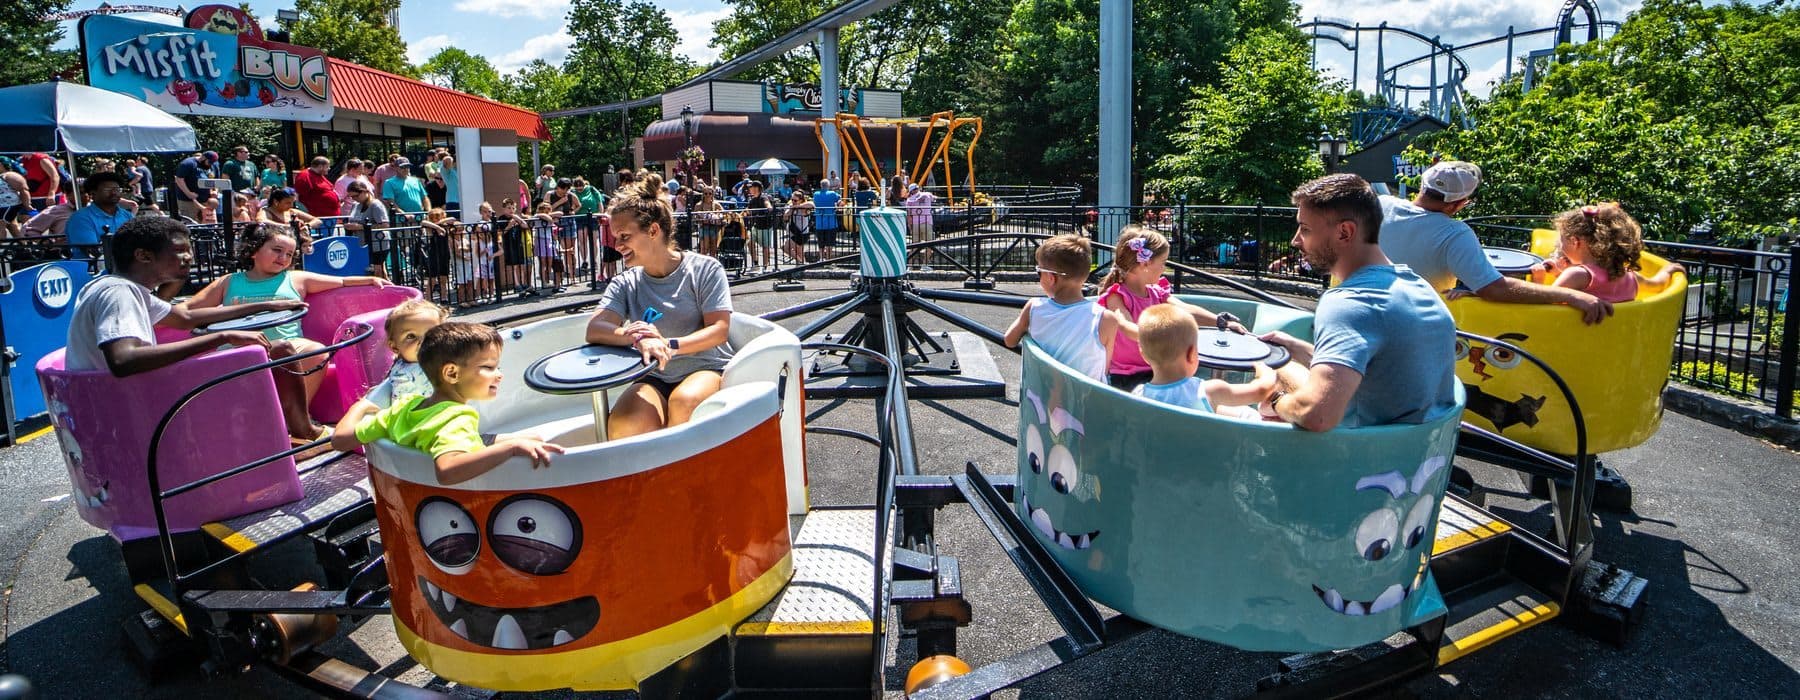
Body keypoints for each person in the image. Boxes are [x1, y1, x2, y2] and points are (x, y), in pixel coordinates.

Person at [1257, 174, 1459, 431]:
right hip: (1419, 459)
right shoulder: (1419, 288)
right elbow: (1374, 375)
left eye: (1305, 229)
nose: (1296, 240)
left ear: (1345, 232)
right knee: (1280, 363)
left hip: (1361, 461)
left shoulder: (1349, 302)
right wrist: (1295, 348)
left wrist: (1274, 400)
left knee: (1231, 398)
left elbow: (1317, 415)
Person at [184, 224, 390, 440]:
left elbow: (342, 281)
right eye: (277, 250)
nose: (283, 257)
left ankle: (290, 419)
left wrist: (370, 279)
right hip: (238, 349)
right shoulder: (229, 282)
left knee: (315, 352)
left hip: (287, 347)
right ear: (254, 250)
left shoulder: (296, 279)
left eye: (289, 254)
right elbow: (187, 310)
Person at [583, 181, 735, 439]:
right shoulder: (626, 282)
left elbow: (719, 330)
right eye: (615, 237)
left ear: (653, 230)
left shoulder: (705, 270)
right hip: (654, 374)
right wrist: (637, 336)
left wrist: (667, 344)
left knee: (684, 403)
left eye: (624, 236)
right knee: (625, 423)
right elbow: (595, 328)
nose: (617, 245)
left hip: (705, 367)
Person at [1380, 161, 1612, 324]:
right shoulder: (1454, 234)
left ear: (1422, 186)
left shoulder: (1380, 205)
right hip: (1412, 324)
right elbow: (1495, 289)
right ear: (1458, 205)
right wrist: (1570, 295)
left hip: (1365, 308)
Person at [332, 322, 563, 485]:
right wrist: (510, 449)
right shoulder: (456, 419)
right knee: (529, 446)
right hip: (467, 501)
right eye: (489, 368)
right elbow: (448, 470)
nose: (499, 375)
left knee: (534, 438)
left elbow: (340, 440)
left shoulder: (406, 406)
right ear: (452, 373)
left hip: (408, 485)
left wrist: (359, 407)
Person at [64, 216, 292, 376]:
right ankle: (301, 431)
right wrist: (223, 337)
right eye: (179, 251)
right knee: (279, 350)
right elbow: (124, 360)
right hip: (124, 401)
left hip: (119, 395)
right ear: (143, 256)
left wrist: (266, 305)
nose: (188, 258)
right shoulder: (120, 293)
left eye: (189, 251)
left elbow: (185, 318)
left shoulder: (118, 287)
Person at [1099, 226, 1247, 391]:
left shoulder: (1156, 292)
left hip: (1157, 369)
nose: (1164, 268)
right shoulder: (1117, 296)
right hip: (1127, 375)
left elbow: (1185, 310)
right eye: (1163, 263)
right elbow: (1125, 326)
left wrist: (1220, 321)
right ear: (1146, 263)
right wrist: (1161, 337)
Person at [1002, 234, 1135, 382]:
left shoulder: (1034, 307)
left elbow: (1009, 340)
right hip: (1085, 399)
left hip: (1041, 397)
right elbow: (1104, 367)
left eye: (1039, 272)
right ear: (1084, 276)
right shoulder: (1106, 318)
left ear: (1051, 278)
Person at [1132, 303, 1275, 419]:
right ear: (1193, 354)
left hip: (1159, 452)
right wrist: (1265, 370)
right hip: (1206, 453)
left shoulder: (1138, 394)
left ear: (1143, 355)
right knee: (1250, 414)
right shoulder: (1209, 391)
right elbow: (1261, 391)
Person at [1531, 203, 1684, 303]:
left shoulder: (1575, 276)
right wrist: (1667, 270)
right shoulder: (1628, 275)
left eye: (1561, 241)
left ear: (1575, 241)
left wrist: (1538, 280)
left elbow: (1544, 306)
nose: (1559, 245)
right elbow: (1656, 285)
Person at [63, 172, 136, 261]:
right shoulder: (80, 219)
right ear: (93, 193)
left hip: (128, 268)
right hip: (93, 270)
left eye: (117, 189)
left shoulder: (127, 216)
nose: (114, 193)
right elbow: (93, 252)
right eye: (107, 189)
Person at [340, 181, 391, 277]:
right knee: (372, 272)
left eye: (356, 196)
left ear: (364, 192)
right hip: (361, 244)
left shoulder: (376, 205)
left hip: (377, 244)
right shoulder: (355, 205)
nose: (354, 199)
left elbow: (385, 225)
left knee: (378, 273)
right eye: (351, 197)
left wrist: (360, 227)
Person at [259, 187, 321, 252]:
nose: (291, 205)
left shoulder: (292, 211)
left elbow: (317, 221)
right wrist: (288, 226)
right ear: (276, 201)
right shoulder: (266, 211)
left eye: (292, 202)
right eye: (288, 203)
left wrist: (307, 226)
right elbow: (261, 221)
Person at [294, 156, 341, 237]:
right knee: (321, 242)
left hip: (329, 217)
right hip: (319, 218)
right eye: (327, 166)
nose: (329, 168)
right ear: (320, 166)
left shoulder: (319, 175)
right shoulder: (305, 176)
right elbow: (298, 196)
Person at [493, 198, 531, 296]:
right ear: (504, 209)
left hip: (518, 244)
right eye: (508, 208)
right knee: (513, 266)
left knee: (521, 265)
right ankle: (516, 284)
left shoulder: (516, 218)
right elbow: (501, 233)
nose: (511, 210)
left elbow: (525, 226)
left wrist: (518, 219)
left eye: (513, 208)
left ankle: (523, 283)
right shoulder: (501, 219)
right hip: (509, 245)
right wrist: (509, 226)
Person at [173, 151, 218, 221]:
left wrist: (214, 190)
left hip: (206, 200)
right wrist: (188, 193)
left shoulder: (214, 165)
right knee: (190, 222)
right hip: (188, 201)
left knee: (208, 222)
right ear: (203, 158)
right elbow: (179, 179)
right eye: (209, 162)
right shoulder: (188, 164)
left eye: (212, 163)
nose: (210, 165)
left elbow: (216, 180)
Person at [904, 183, 937, 270]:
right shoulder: (927, 195)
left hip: (915, 224)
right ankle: (924, 265)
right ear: (918, 188)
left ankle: (910, 266)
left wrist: (910, 226)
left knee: (914, 246)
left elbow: (909, 215)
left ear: (911, 192)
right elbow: (935, 198)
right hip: (927, 222)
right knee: (930, 245)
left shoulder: (909, 200)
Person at [744, 181, 776, 269]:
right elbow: (747, 209)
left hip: (765, 226)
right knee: (749, 242)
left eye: (751, 187)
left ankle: (765, 266)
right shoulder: (752, 200)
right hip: (756, 226)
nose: (749, 189)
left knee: (765, 247)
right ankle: (755, 263)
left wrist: (769, 207)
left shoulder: (763, 197)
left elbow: (767, 203)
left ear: (756, 188)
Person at [811, 182, 842, 260]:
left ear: (821, 186)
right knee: (829, 243)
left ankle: (821, 258)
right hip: (830, 221)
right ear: (828, 186)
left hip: (819, 222)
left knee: (821, 243)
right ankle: (828, 259)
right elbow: (839, 200)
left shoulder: (816, 194)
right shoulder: (832, 193)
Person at [783, 190, 813, 265]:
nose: (793, 201)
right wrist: (791, 209)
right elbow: (785, 216)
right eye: (792, 199)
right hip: (794, 232)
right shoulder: (791, 207)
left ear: (801, 200)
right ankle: (801, 263)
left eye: (795, 200)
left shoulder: (804, 208)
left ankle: (801, 263)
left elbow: (812, 204)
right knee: (798, 251)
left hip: (802, 233)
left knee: (786, 247)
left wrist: (798, 206)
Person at [692, 188, 724, 257]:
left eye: (710, 193)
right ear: (703, 195)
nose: (708, 195)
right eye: (706, 193)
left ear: (712, 194)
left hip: (714, 227)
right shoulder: (699, 205)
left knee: (713, 249)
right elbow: (694, 217)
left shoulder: (716, 204)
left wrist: (717, 215)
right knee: (704, 249)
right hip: (704, 228)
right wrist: (701, 219)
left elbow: (723, 213)